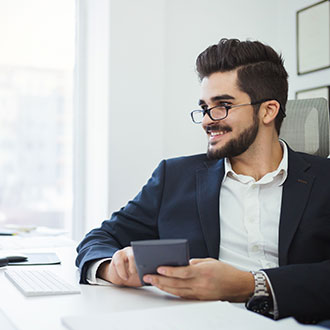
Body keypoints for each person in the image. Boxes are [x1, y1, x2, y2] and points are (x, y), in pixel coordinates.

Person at [76, 38, 330, 324]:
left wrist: (251, 284)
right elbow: (98, 239)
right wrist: (113, 268)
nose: (207, 120)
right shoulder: (173, 177)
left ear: (268, 111)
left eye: (222, 105)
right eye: (204, 107)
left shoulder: (325, 180)